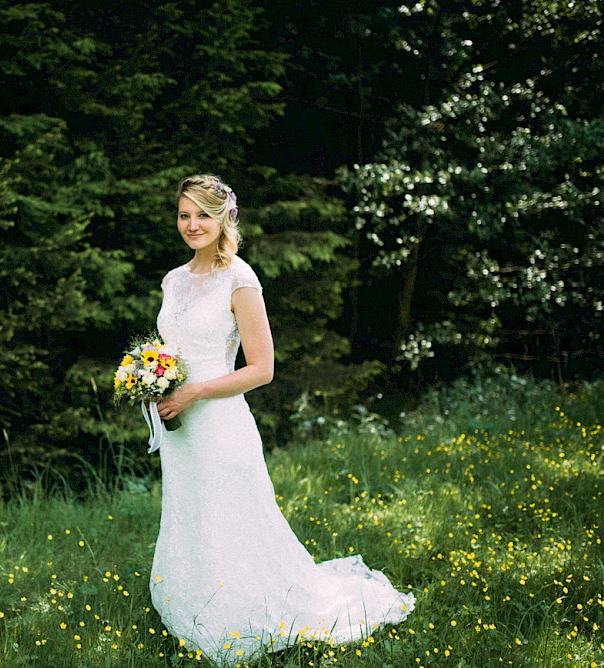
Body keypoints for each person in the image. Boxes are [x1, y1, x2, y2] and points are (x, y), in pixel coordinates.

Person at [150, 174, 414, 665]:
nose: (192, 224)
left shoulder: (239, 278)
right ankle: (193, 605)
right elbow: (174, 351)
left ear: (224, 217)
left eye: (203, 215)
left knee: (233, 519)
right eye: (184, 215)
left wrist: (196, 390)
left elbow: (262, 368)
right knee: (192, 514)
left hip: (221, 423)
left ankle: (240, 612)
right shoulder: (173, 280)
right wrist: (153, 379)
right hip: (180, 429)